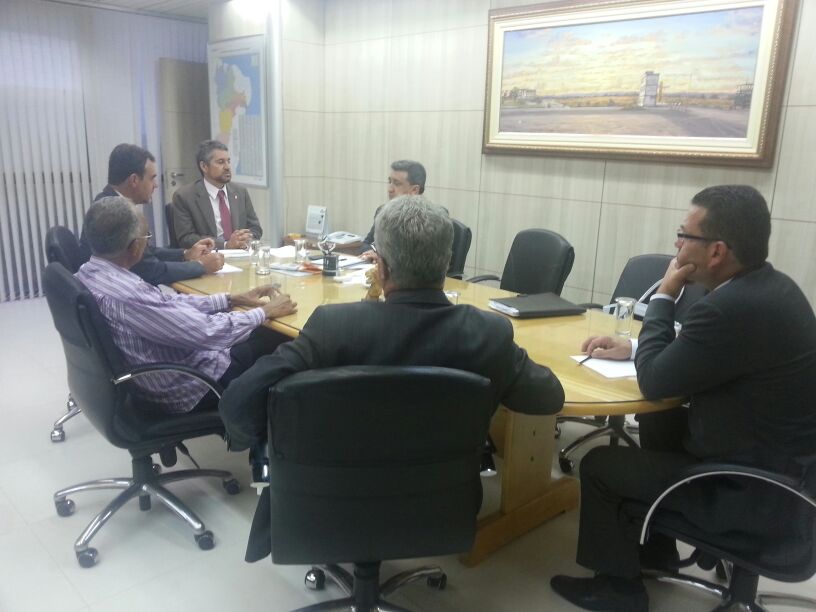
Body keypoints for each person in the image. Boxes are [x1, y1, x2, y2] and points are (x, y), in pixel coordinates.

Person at [219, 195, 565, 561]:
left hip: (330, 499)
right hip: (439, 503)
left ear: (381, 268)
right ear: (447, 263)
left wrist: (267, 442)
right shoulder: (487, 333)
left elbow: (237, 405)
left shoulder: (334, 327)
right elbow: (548, 397)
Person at [551, 185, 816, 612]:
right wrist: (634, 347)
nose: (676, 246)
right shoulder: (770, 289)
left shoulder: (729, 307)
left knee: (600, 464)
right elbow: (703, 351)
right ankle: (657, 549)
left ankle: (618, 591)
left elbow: (655, 382)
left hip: (751, 492)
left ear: (717, 251)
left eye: (683, 235)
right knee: (660, 420)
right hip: (785, 478)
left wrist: (664, 294)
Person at [76, 197, 297, 415]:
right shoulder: (128, 294)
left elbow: (166, 303)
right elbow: (207, 331)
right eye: (147, 237)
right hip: (189, 384)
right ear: (135, 248)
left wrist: (232, 300)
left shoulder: (88, 272)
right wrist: (265, 311)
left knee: (257, 330)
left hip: (160, 371)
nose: (147, 243)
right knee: (282, 340)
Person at [82, 143, 224, 285]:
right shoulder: (114, 215)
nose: (155, 185)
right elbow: (150, 270)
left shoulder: (109, 202)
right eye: (152, 178)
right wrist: (200, 266)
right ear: (134, 180)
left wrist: (185, 254)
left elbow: (148, 253)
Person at [171, 140, 263, 249]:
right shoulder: (184, 196)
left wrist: (245, 238)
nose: (227, 167)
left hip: (240, 253)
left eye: (228, 161)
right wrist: (225, 245)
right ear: (204, 166)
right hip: (209, 256)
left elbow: (255, 228)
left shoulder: (240, 192)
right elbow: (186, 238)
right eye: (220, 162)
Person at [358, 159, 426, 258]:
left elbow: (415, 258)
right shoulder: (382, 211)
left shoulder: (429, 219)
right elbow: (367, 243)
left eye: (397, 184)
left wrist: (381, 258)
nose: (390, 189)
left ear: (414, 190)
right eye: (390, 182)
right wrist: (369, 252)